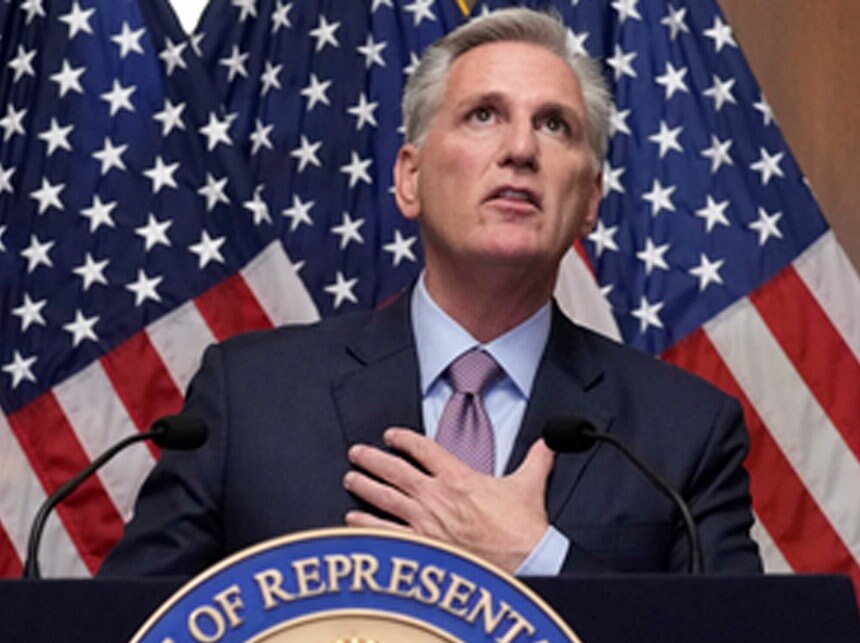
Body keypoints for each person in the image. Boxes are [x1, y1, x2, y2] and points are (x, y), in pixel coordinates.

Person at [101, 8, 761, 579]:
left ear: (590, 201)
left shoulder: (684, 434)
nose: (522, 148)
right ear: (409, 180)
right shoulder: (250, 397)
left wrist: (538, 560)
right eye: (483, 116)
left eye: (556, 125)